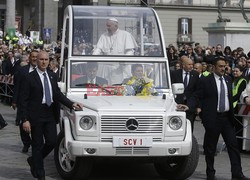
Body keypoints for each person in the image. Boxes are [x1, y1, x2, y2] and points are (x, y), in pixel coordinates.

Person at [177, 56, 250, 180]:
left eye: (225, 66)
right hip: (213, 119)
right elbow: (196, 95)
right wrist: (189, 106)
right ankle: (210, 173)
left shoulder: (228, 79)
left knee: (233, 146)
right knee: (210, 149)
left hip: (227, 118)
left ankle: (237, 173)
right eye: (220, 66)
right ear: (214, 67)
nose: (223, 68)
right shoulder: (205, 81)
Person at [20, 51, 83, 180]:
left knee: (52, 142)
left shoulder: (52, 76)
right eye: (41, 59)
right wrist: (25, 119)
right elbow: (23, 100)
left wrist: (72, 104)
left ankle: (34, 160)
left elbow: (57, 94)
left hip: (49, 114)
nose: (44, 62)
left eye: (46, 59)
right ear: (36, 61)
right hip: (35, 115)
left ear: (49, 61)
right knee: (37, 144)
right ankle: (40, 173)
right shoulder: (29, 77)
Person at [12, 50, 38, 153]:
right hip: (23, 102)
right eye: (33, 56)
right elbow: (17, 86)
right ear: (29, 58)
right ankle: (26, 143)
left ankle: (36, 143)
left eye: (36, 57)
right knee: (23, 124)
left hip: (36, 102)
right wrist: (14, 100)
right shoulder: (22, 71)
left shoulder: (42, 70)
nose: (34, 59)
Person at [171, 56, 199, 132]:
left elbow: (197, 91)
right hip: (177, 105)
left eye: (192, 64)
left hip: (190, 106)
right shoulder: (175, 74)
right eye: (189, 64)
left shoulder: (195, 74)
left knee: (189, 127)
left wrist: (195, 106)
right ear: (183, 65)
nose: (191, 66)